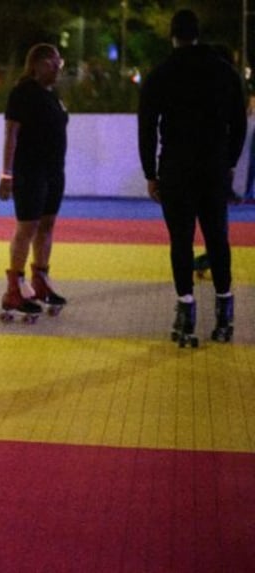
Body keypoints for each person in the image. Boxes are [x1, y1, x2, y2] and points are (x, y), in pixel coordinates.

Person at [138, 9, 247, 346]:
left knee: (181, 241)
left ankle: (186, 313)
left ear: (173, 35)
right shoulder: (223, 72)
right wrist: (228, 161)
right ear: (198, 34)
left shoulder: (161, 74)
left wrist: (151, 173)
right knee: (217, 239)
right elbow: (240, 123)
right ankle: (224, 313)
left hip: (175, 169)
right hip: (213, 168)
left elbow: (146, 127)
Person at [0, 43, 69, 322]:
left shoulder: (53, 95)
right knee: (27, 227)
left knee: (47, 225)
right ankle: (14, 288)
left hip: (54, 172)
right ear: (38, 64)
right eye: (54, 63)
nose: (58, 68)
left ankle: (40, 279)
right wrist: (7, 174)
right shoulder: (22, 93)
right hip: (30, 171)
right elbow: (11, 134)